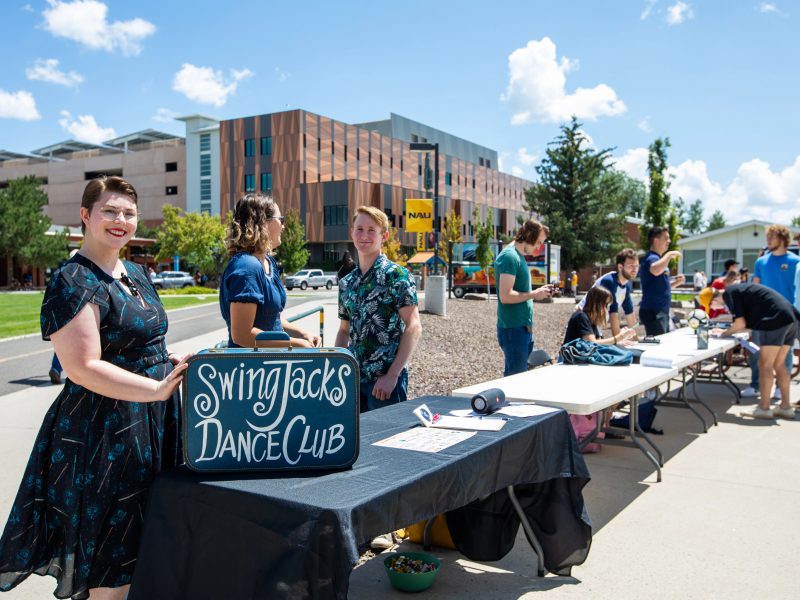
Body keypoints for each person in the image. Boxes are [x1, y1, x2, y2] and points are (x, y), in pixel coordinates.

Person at [0, 176, 189, 599]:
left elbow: (143, 340)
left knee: (145, 546)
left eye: (128, 213)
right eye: (109, 211)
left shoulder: (136, 273)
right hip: (105, 433)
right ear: (86, 216)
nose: (120, 220)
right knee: (112, 560)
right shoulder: (73, 279)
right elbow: (83, 367)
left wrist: (167, 361)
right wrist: (155, 388)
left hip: (152, 422)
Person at [336, 206, 421, 413]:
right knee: (356, 443)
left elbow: (414, 327)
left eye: (371, 230)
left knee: (387, 443)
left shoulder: (397, 276)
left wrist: (392, 376)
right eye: (359, 229)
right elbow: (344, 331)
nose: (364, 235)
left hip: (385, 385)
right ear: (352, 233)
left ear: (384, 236)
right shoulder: (347, 282)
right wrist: (337, 371)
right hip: (353, 382)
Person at [219, 193, 320, 349]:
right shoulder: (247, 267)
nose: (283, 226)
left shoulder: (268, 262)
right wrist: (294, 344)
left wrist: (301, 334)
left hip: (271, 367)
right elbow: (242, 335)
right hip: (252, 369)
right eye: (281, 220)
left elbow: (272, 320)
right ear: (263, 223)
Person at [713, 283, 799, 419]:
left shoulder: (728, 293)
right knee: (779, 364)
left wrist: (723, 334)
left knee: (765, 365)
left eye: (715, 303)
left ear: (716, 297)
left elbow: (739, 324)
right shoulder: (740, 290)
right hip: (791, 318)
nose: (723, 307)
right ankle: (785, 407)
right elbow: (747, 325)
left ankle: (764, 408)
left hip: (774, 319)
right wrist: (727, 331)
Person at [741, 224, 800, 398]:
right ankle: (756, 385)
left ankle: (781, 389)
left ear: (782, 239)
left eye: (771, 237)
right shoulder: (761, 261)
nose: (768, 241)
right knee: (756, 350)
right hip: (763, 314)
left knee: (785, 353)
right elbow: (756, 287)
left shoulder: (795, 262)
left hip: (787, 314)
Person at [495, 220, 554, 376]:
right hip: (513, 329)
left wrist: (538, 292)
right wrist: (535, 294)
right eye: (538, 242)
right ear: (529, 236)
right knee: (515, 381)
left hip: (521, 328)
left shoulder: (517, 256)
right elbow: (505, 296)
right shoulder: (509, 256)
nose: (539, 247)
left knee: (517, 378)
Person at [577, 248, 639, 338]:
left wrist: (636, 339)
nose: (635, 270)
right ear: (620, 267)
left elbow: (630, 314)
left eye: (637, 266)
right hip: (583, 323)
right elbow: (613, 314)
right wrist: (618, 340)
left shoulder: (625, 285)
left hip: (595, 325)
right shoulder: (610, 281)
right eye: (631, 266)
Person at [638, 226, 685, 335]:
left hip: (660, 311)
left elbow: (662, 286)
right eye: (666, 238)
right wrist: (669, 255)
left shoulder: (658, 259)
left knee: (663, 344)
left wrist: (677, 283)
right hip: (654, 311)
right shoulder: (652, 258)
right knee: (658, 347)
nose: (669, 241)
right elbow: (655, 270)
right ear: (656, 240)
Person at [564, 286, 637, 347]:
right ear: (595, 303)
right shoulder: (581, 316)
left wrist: (619, 341)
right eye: (605, 304)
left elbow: (599, 342)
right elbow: (592, 343)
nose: (607, 309)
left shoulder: (592, 320)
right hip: (569, 361)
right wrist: (620, 336)